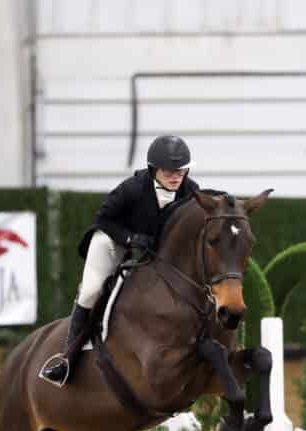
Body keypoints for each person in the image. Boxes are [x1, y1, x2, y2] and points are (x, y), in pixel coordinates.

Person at [40, 134, 201, 385]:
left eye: (181, 170)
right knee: (91, 292)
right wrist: (130, 239)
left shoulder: (191, 191)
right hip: (113, 240)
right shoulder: (132, 188)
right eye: (169, 171)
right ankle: (67, 359)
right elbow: (103, 219)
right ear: (153, 170)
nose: (176, 176)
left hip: (155, 250)